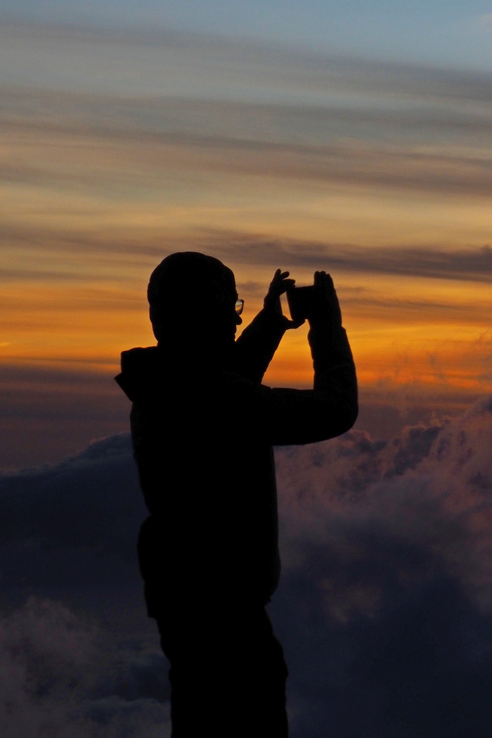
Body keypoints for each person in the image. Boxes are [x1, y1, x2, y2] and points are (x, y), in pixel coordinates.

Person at [115, 252, 358, 737]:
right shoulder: (207, 398)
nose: (237, 315)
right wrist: (328, 329)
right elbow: (335, 411)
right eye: (230, 306)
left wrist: (271, 323)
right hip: (226, 623)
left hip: (193, 610)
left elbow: (226, 382)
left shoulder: (166, 383)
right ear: (202, 313)